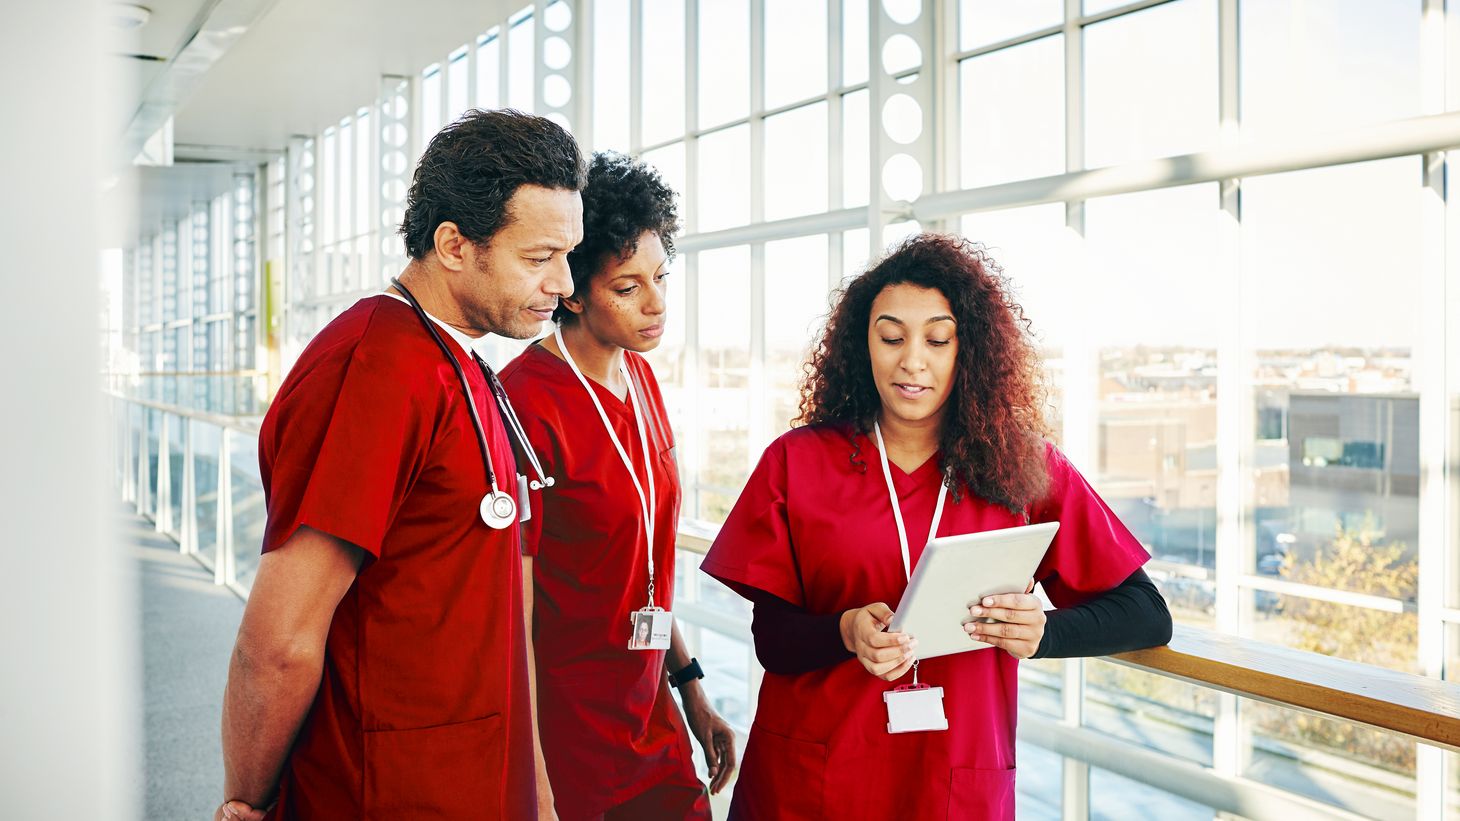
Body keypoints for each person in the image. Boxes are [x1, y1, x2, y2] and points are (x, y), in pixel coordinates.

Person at [699, 234, 1173, 820]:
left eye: (938, 339)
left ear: (968, 350)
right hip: (813, 783)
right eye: (891, 337)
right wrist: (845, 631)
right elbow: (772, 640)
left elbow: (1148, 614)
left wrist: (1043, 633)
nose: (912, 361)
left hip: (950, 783)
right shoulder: (795, 462)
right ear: (862, 345)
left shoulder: (1025, 468)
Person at [215, 109, 584, 821]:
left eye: (566, 254)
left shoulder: (460, 360)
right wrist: (246, 801)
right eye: (538, 258)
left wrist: (534, 792)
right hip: (384, 789)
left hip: (472, 778)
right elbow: (280, 641)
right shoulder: (375, 368)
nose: (564, 284)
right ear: (453, 243)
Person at [499, 151, 735, 821]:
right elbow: (509, 620)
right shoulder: (522, 405)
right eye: (628, 287)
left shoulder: (641, 377)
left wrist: (690, 687)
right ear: (571, 290)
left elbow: (644, 563)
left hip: (649, 717)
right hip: (565, 732)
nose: (656, 303)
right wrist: (534, 784)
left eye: (661, 276)